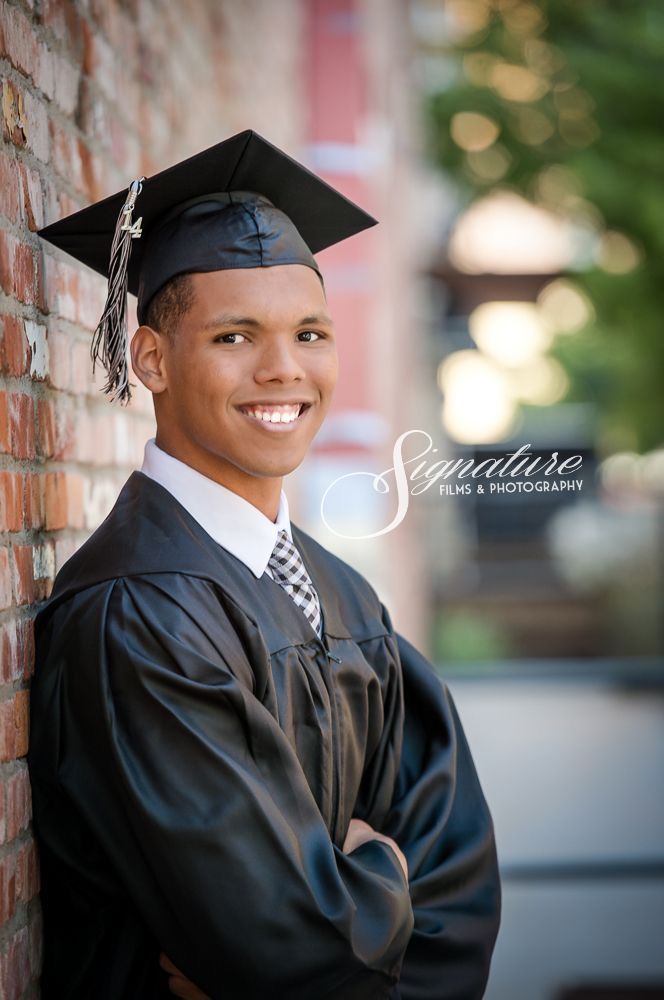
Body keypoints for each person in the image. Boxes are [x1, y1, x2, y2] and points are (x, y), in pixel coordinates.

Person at [28, 129, 501, 999]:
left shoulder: (345, 598)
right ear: (152, 360)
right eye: (236, 337)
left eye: (310, 333)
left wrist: (356, 913)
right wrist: (383, 883)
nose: (285, 371)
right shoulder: (139, 616)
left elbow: (460, 896)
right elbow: (284, 958)